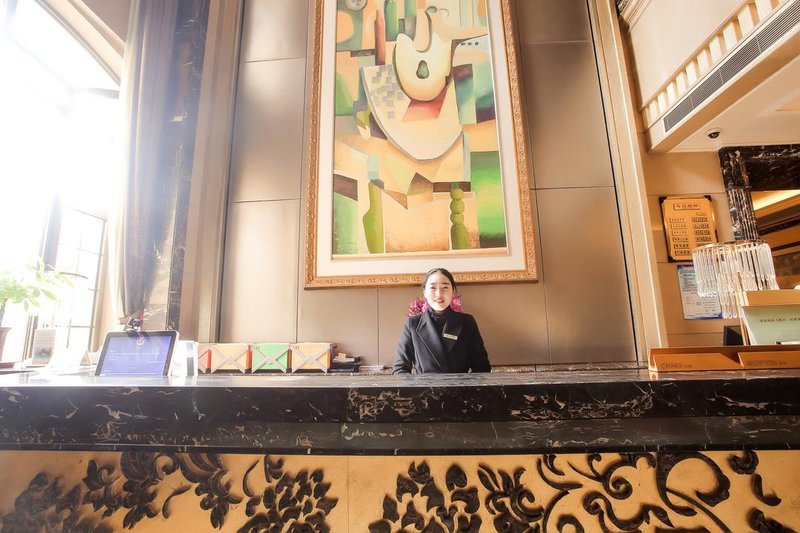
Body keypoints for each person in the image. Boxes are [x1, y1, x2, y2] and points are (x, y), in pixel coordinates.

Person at [393, 268, 491, 374]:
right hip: (424, 385)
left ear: (453, 291)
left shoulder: (467, 322)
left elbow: (482, 367)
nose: (439, 294)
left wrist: (465, 385)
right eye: (433, 288)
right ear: (424, 292)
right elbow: (400, 369)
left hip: (460, 385)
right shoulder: (413, 324)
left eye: (445, 287)